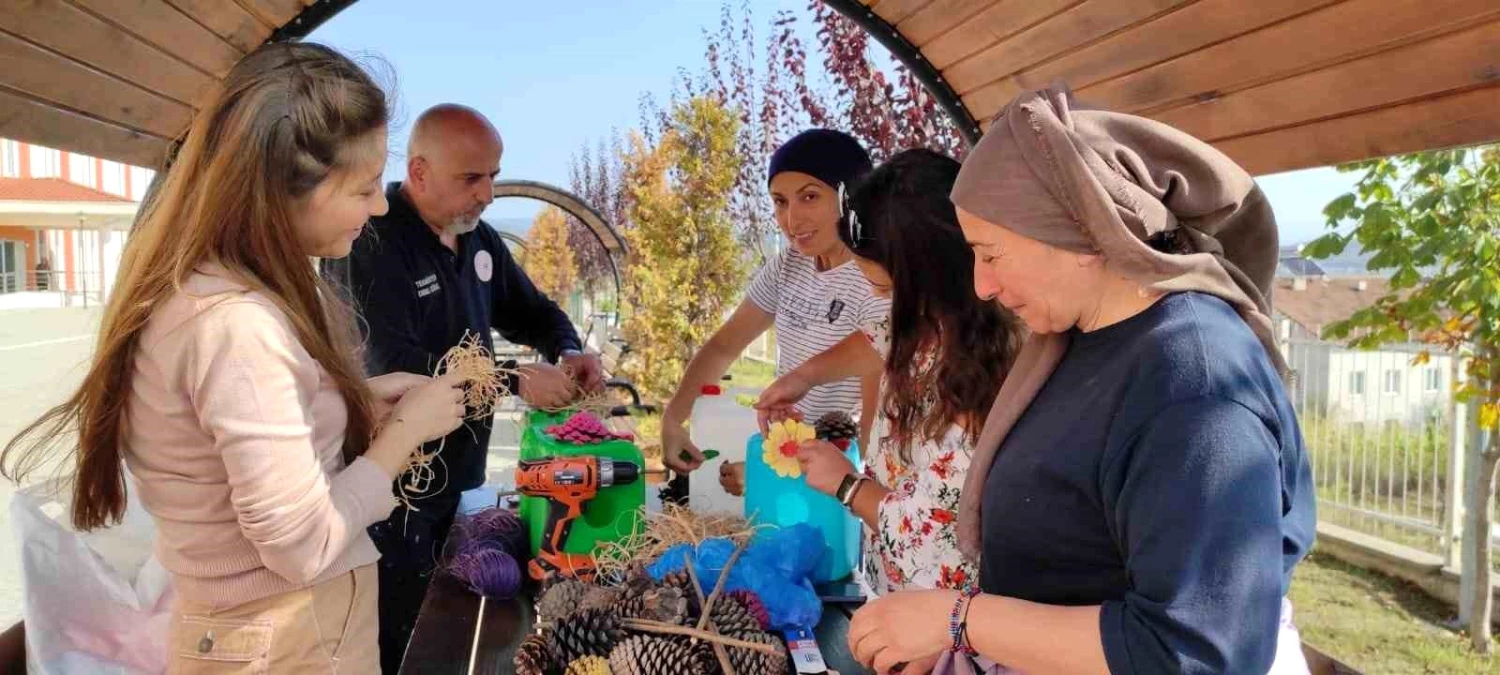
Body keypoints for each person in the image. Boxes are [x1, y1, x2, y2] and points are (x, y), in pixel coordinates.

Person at [1, 42, 468, 672]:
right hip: (287, 645)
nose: (380, 206)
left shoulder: (215, 296)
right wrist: (407, 435)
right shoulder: (237, 325)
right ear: (285, 192)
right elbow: (303, 545)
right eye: (362, 189)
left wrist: (357, 401)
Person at [846, 88, 1317, 675]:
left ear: (1081, 236)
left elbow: (1197, 652)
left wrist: (957, 621)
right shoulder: (1074, 342)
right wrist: (953, 647)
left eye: (990, 254)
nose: (981, 286)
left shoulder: (1195, 388)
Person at [322, 103, 602, 673]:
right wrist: (516, 378)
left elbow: (532, 311)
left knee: (454, 627)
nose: (489, 194)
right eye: (472, 178)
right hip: (391, 493)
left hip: (459, 480)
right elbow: (394, 366)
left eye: (494, 176)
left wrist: (567, 350)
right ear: (419, 172)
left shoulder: (478, 240)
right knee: (400, 638)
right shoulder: (372, 243)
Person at [755, 149, 1023, 597]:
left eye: (884, 286)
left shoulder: (979, 383)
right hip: (897, 597)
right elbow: (879, 339)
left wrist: (846, 485)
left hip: (948, 628)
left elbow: (934, 538)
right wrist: (800, 378)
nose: (883, 302)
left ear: (927, 275)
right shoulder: (931, 324)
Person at [661, 129, 889, 494]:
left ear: (852, 196)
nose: (791, 219)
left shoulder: (875, 281)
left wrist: (773, 480)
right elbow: (724, 347)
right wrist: (674, 419)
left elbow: (871, 435)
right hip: (788, 456)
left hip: (833, 482)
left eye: (810, 197)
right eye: (780, 202)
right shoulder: (788, 265)